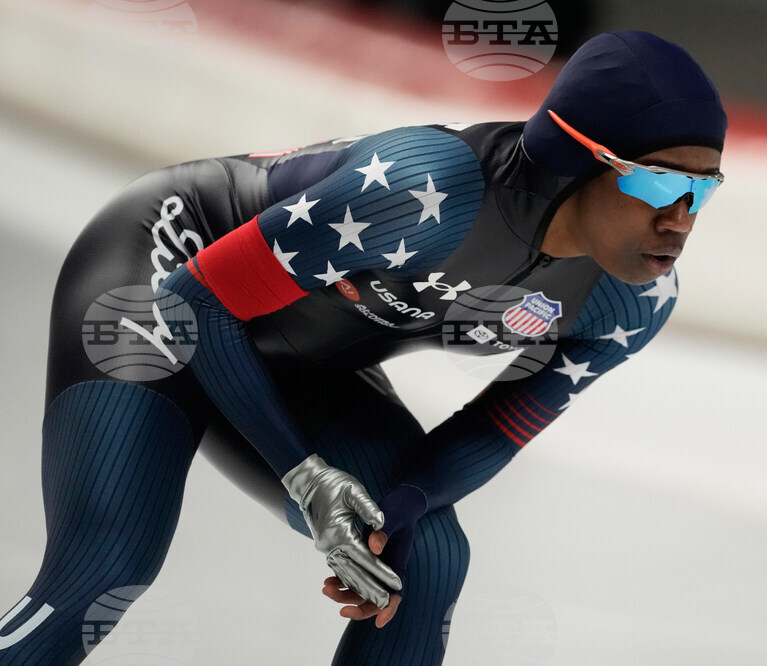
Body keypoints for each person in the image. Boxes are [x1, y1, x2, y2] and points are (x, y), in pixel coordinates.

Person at [0, 30, 726, 665]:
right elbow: (198, 300)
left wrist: (401, 510)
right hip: (167, 276)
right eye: (660, 181)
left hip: (301, 363)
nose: (681, 219)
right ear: (576, 156)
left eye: (704, 190)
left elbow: (498, 429)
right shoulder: (426, 192)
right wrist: (304, 475)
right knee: (106, 567)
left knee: (428, 557)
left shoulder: (630, 299)